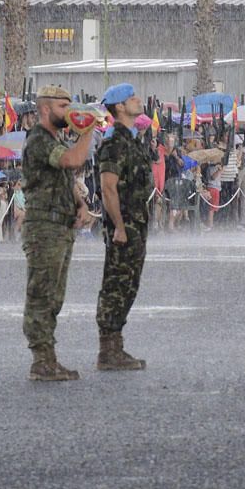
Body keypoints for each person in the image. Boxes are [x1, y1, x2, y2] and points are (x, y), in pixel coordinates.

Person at [20, 85, 93, 381]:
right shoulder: (38, 139)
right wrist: (88, 131)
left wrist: (82, 204)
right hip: (43, 227)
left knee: (55, 295)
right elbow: (73, 161)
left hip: (60, 225)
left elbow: (67, 177)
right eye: (64, 107)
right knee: (41, 293)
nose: (70, 113)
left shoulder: (56, 138)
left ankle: (49, 356)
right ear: (46, 109)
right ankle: (41, 359)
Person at [95, 82, 155, 370]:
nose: (137, 99)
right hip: (124, 226)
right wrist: (118, 226)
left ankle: (116, 345)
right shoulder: (114, 142)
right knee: (116, 284)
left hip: (136, 224)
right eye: (132, 98)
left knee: (129, 284)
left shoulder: (131, 139)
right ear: (119, 107)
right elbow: (108, 188)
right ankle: (108, 349)